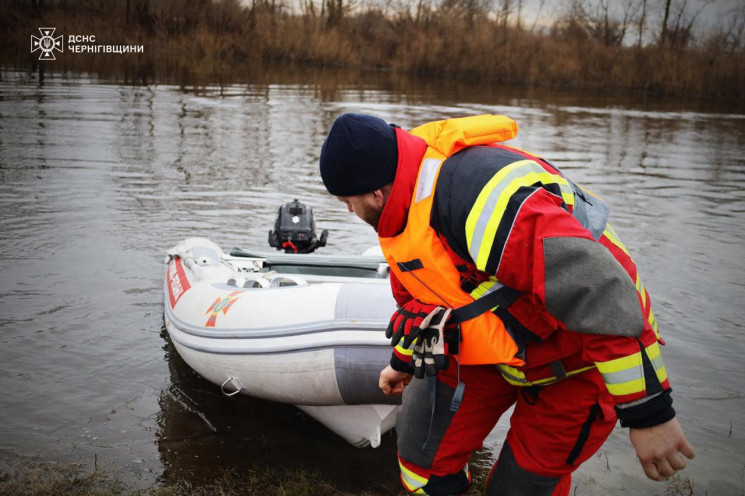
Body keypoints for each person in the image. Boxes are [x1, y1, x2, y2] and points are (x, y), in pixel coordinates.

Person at [318, 113, 695, 496]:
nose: (349, 211)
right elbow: (426, 299)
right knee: (422, 465)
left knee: (521, 487)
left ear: (374, 194)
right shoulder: (401, 203)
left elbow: (599, 292)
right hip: (496, 348)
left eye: (347, 202)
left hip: (581, 354)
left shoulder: (480, 202)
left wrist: (649, 415)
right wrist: (401, 361)